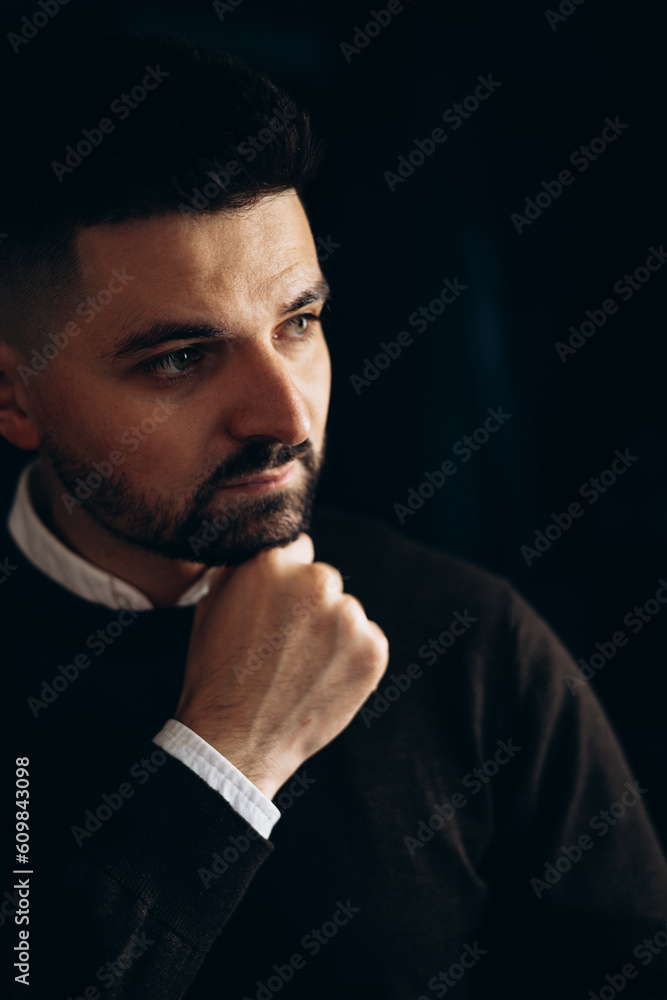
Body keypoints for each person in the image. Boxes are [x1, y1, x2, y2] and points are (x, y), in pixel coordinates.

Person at [0, 30, 666, 1000]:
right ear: (13, 398)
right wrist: (228, 754)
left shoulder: (473, 645)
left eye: (299, 323)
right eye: (181, 358)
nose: (284, 414)